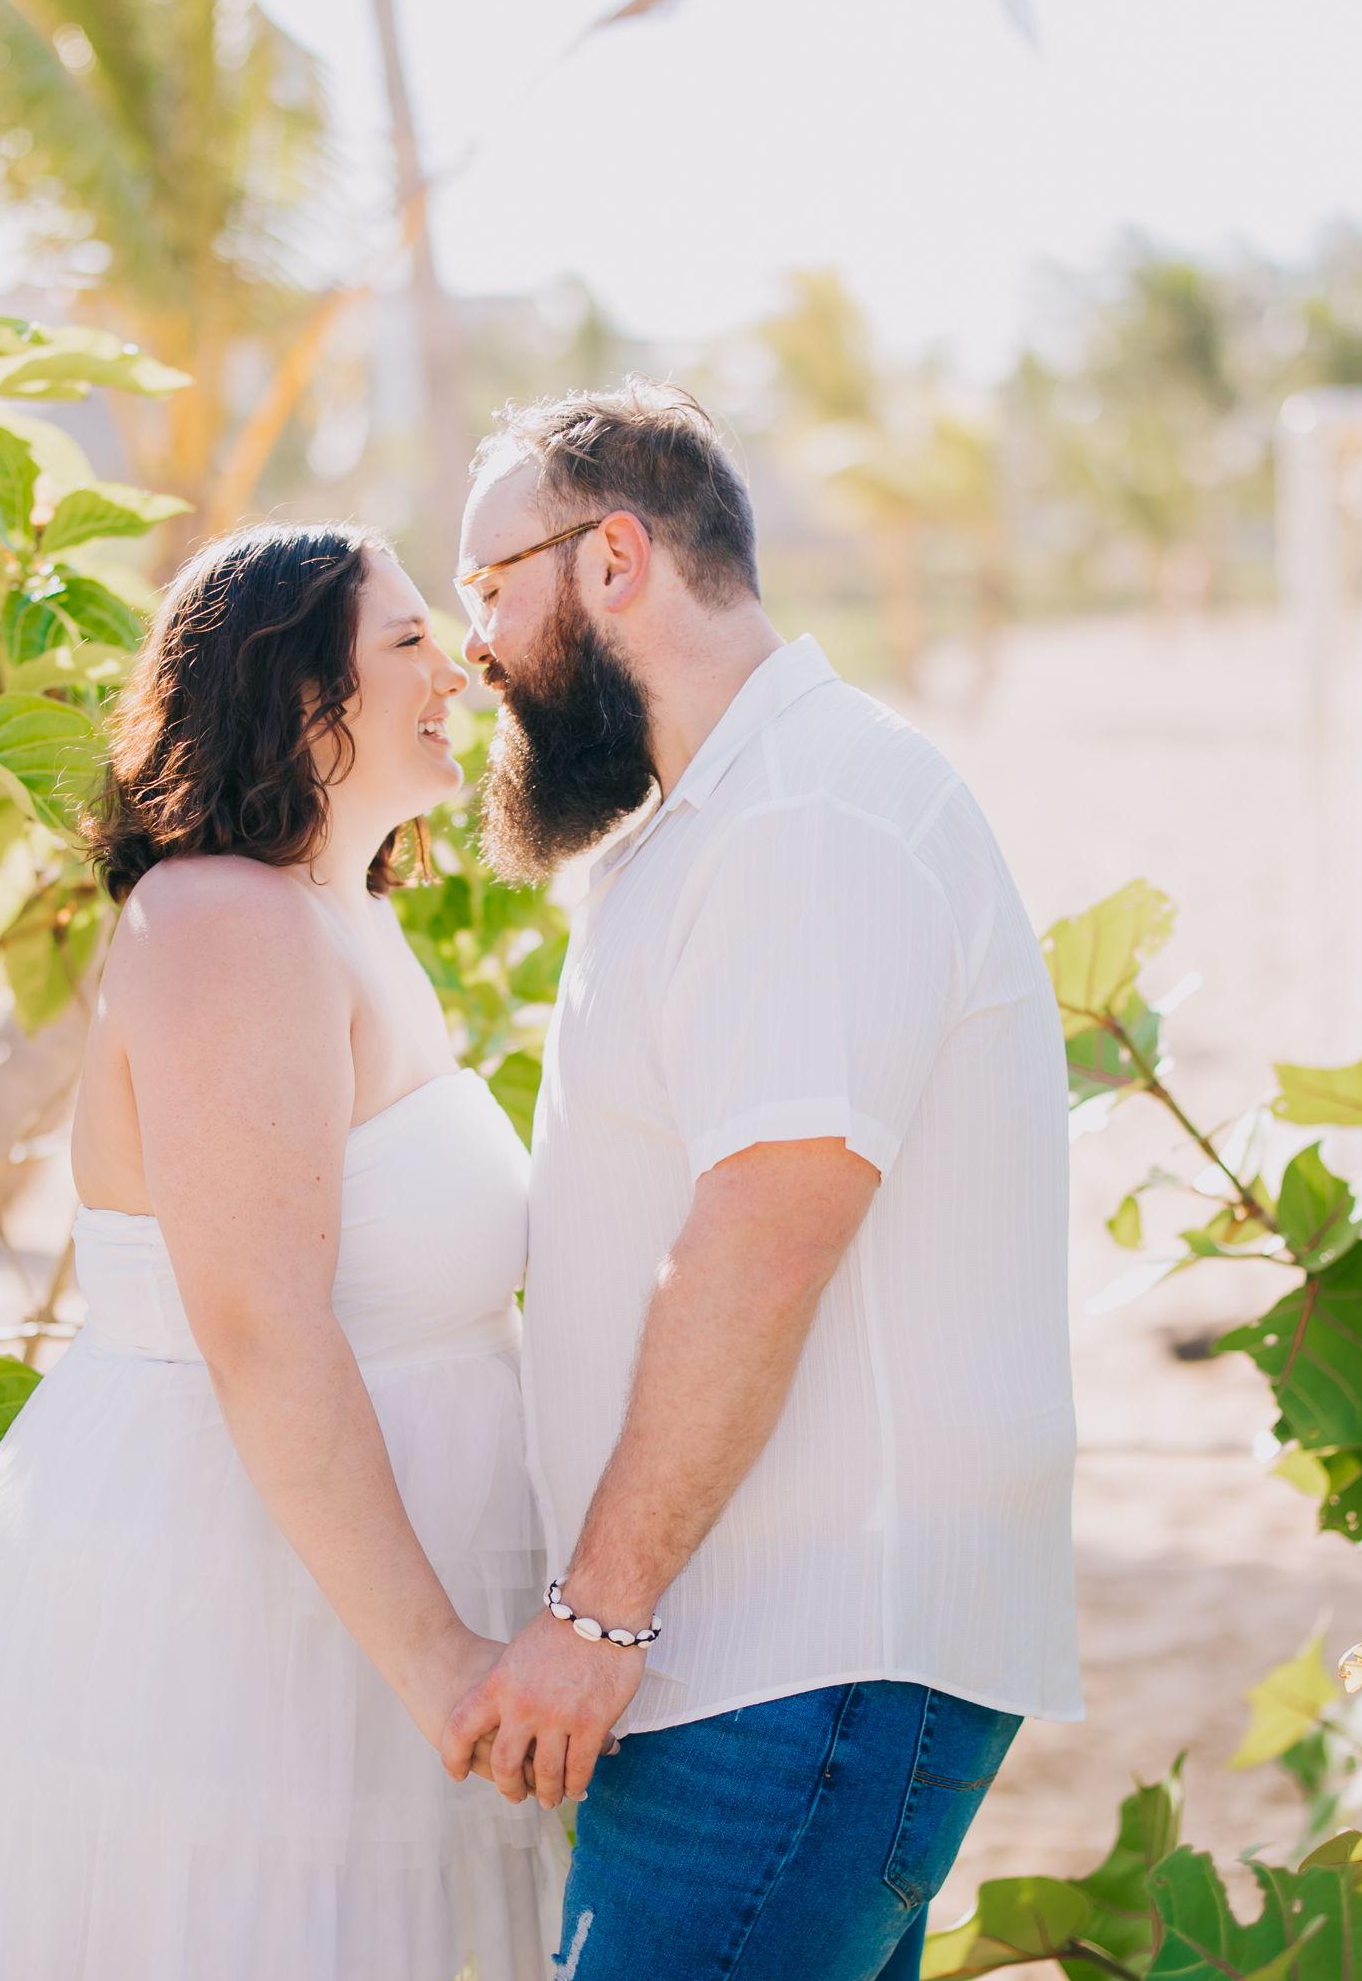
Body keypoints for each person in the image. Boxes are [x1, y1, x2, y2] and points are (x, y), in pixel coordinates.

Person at [440, 381, 1083, 1981]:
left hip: (801, 1657)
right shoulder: (725, 817)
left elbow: (761, 1243)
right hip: (745, 1651)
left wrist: (595, 1621)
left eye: (488, 590)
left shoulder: (806, 817)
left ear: (613, 558)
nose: (475, 646)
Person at [0, 523, 566, 1980]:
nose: (459, 668)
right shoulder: (225, 925)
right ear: (296, 692)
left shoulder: (345, 916)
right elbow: (262, 1326)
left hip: (359, 1583)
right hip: (251, 1606)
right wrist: (440, 1662)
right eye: (405, 643)